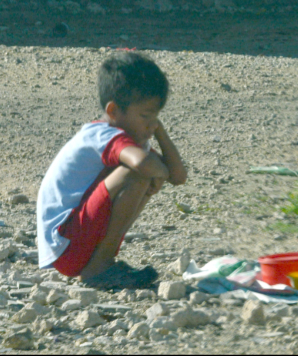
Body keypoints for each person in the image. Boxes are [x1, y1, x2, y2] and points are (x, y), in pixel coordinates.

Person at [37, 52, 187, 289]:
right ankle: (99, 267)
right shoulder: (102, 135)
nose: (151, 124)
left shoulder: (132, 139)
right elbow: (141, 166)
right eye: (145, 116)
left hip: (76, 244)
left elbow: (178, 177)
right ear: (114, 111)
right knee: (137, 174)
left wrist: (159, 131)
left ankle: (101, 262)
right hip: (66, 245)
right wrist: (157, 171)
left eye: (156, 117)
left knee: (145, 173)